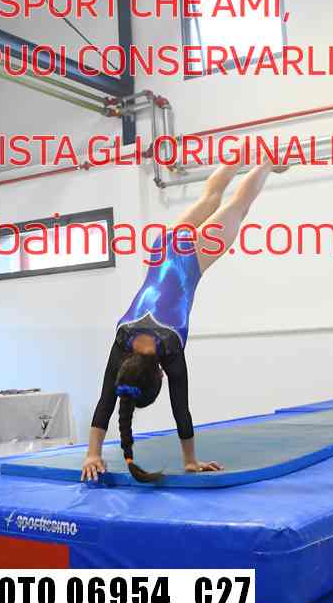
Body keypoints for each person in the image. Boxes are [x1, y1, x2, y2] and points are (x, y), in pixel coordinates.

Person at [82, 158, 287, 483]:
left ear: (159, 375)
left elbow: (181, 410)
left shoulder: (171, 347)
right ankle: (236, 159)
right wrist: (92, 453)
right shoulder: (122, 341)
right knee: (210, 199)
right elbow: (106, 400)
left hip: (190, 259)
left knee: (239, 206)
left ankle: (266, 164)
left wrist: (191, 461)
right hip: (162, 247)